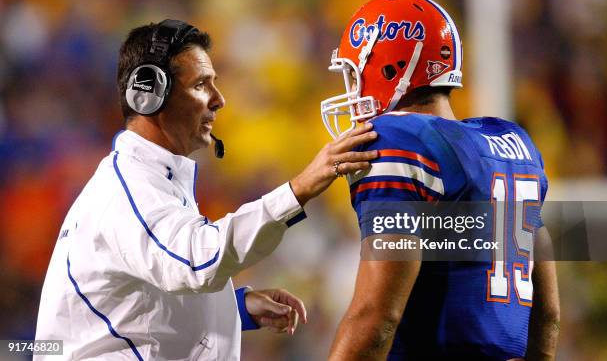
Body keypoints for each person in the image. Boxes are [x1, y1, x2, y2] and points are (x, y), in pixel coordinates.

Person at [34, 19, 378, 360]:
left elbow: (140, 299)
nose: (219, 100)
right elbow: (198, 261)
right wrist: (300, 188)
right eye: (201, 85)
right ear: (149, 96)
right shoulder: (129, 189)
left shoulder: (152, 179)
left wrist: (233, 308)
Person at [320, 0, 560, 360]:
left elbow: (376, 317)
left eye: (354, 73)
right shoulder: (514, 144)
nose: (352, 88)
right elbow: (548, 314)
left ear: (389, 68)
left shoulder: (398, 141)